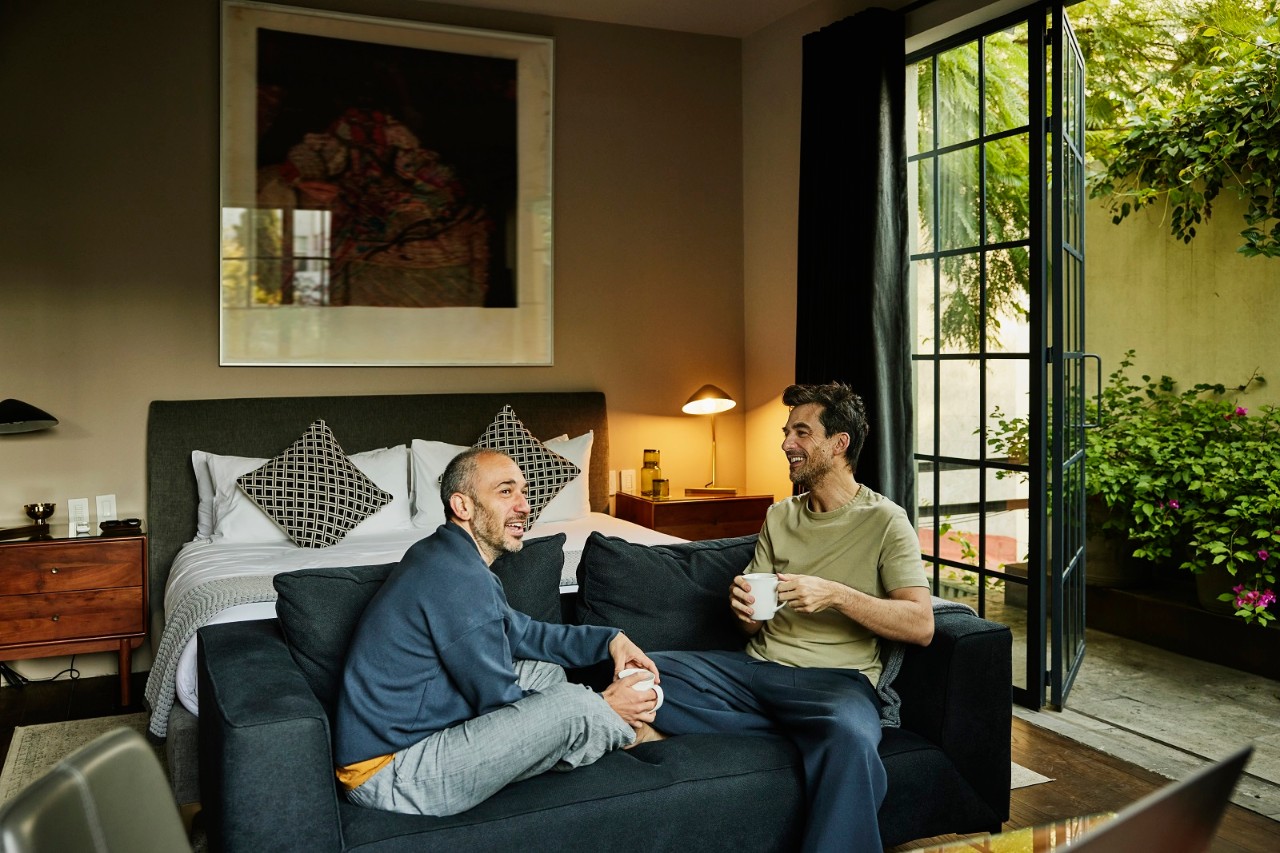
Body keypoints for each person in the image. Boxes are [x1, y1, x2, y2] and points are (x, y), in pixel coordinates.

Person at [644, 382, 934, 853]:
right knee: (643, 670)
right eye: (786, 433)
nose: (785, 444)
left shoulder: (885, 521)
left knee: (851, 735)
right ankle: (791, 728)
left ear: (838, 444)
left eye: (801, 432)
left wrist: (836, 595)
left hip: (835, 683)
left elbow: (921, 625)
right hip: (756, 672)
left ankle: (786, 730)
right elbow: (752, 622)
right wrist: (744, 611)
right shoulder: (779, 516)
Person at [333, 447, 662, 816]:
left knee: (546, 671)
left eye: (523, 491)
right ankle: (629, 734)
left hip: (418, 723)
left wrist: (610, 639)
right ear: (463, 506)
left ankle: (583, 730)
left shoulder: (444, 554)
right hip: (392, 769)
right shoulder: (460, 579)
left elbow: (522, 635)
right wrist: (606, 707)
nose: (524, 505)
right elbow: (501, 704)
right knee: (574, 705)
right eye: (505, 492)